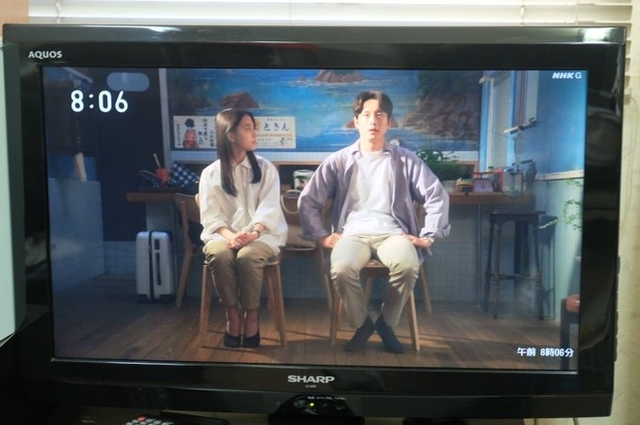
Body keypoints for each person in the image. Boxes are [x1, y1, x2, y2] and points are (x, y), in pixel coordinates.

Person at [298, 90, 450, 353]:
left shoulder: (406, 159)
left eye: (380, 115)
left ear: (389, 122)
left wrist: (429, 234)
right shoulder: (338, 160)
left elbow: (436, 195)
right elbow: (308, 200)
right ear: (356, 121)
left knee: (407, 265)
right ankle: (363, 325)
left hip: (393, 233)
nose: (373, 121)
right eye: (366, 115)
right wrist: (321, 236)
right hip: (352, 233)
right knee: (341, 268)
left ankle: (386, 324)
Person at [199, 109, 288, 348]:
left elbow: (269, 208)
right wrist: (229, 236)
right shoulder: (210, 174)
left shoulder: (266, 168)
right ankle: (232, 315)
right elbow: (211, 216)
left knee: (248, 257)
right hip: (222, 235)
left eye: (253, 127)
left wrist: (254, 233)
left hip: (262, 234)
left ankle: (251, 315)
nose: (254, 133)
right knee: (219, 254)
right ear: (230, 135)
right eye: (247, 128)